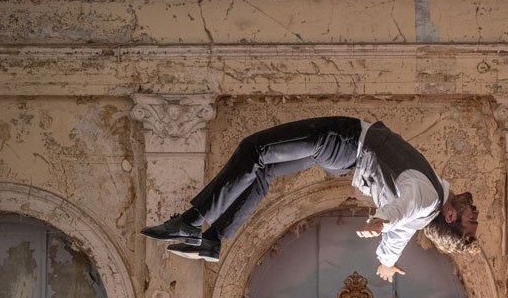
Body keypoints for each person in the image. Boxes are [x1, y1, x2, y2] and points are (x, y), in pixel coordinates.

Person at [142, 116, 479, 281]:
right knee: (264, 170)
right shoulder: (422, 216)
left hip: (343, 141)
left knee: (254, 149)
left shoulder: (426, 198)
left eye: (471, 219)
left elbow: (403, 206)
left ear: (450, 217)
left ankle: (191, 222)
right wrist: (387, 263)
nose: (474, 211)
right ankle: (213, 239)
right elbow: (396, 238)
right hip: (344, 159)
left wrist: (382, 220)